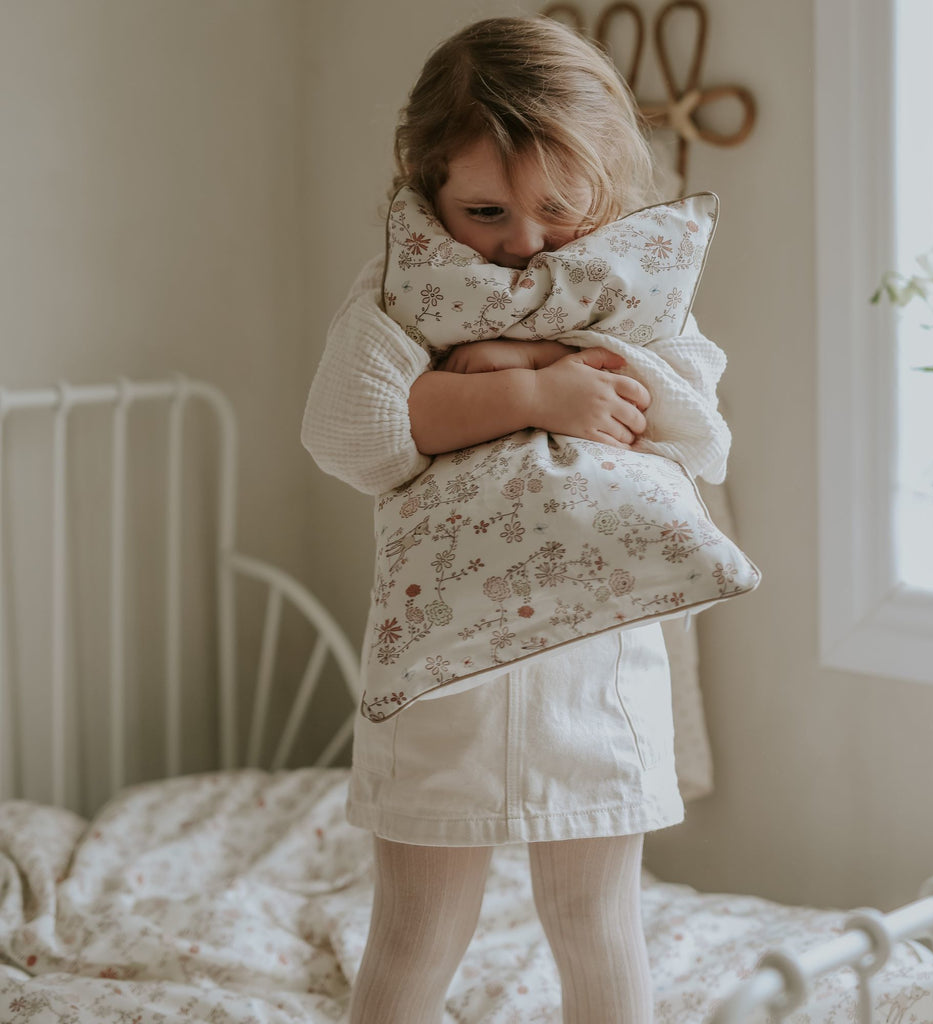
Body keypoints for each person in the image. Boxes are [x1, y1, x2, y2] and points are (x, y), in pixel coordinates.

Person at [301, 16, 732, 1024]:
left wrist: (514, 364)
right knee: (412, 934)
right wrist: (534, 397)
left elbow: (686, 426)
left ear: (608, 189)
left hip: (596, 677)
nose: (523, 243)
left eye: (557, 212)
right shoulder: (402, 298)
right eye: (485, 210)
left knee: (597, 925)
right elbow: (354, 430)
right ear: (425, 184)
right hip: (440, 679)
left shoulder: (635, 298)